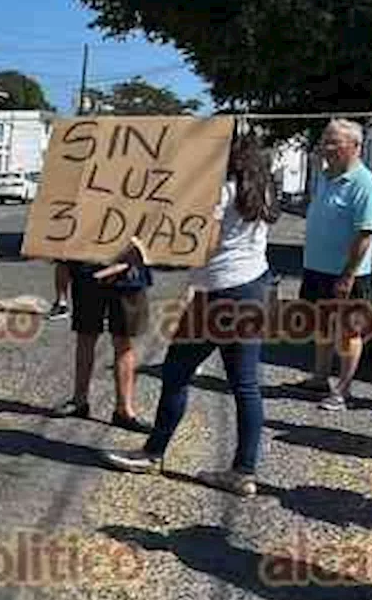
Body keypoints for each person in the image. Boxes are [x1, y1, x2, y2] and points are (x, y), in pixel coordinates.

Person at [101, 134, 280, 497]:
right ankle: (244, 471)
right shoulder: (261, 191)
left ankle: (152, 452)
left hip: (220, 296)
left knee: (177, 371)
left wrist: (147, 255)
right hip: (254, 288)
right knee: (246, 385)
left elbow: (203, 245)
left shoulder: (222, 192)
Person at [292, 118, 372, 411]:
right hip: (318, 268)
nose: (326, 148)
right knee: (321, 324)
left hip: (347, 274)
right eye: (324, 142)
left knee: (348, 331)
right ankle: (319, 378)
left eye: (334, 143)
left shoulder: (365, 184)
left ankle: (342, 391)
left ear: (355, 146)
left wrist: (348, 274)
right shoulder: (326, 175)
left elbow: (365, 233)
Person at [50, 253, 154, 432]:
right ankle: (79, 401)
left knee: (123, 341)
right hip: (87, 271)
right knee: (86, 336)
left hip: (128, 276)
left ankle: (124, 410)